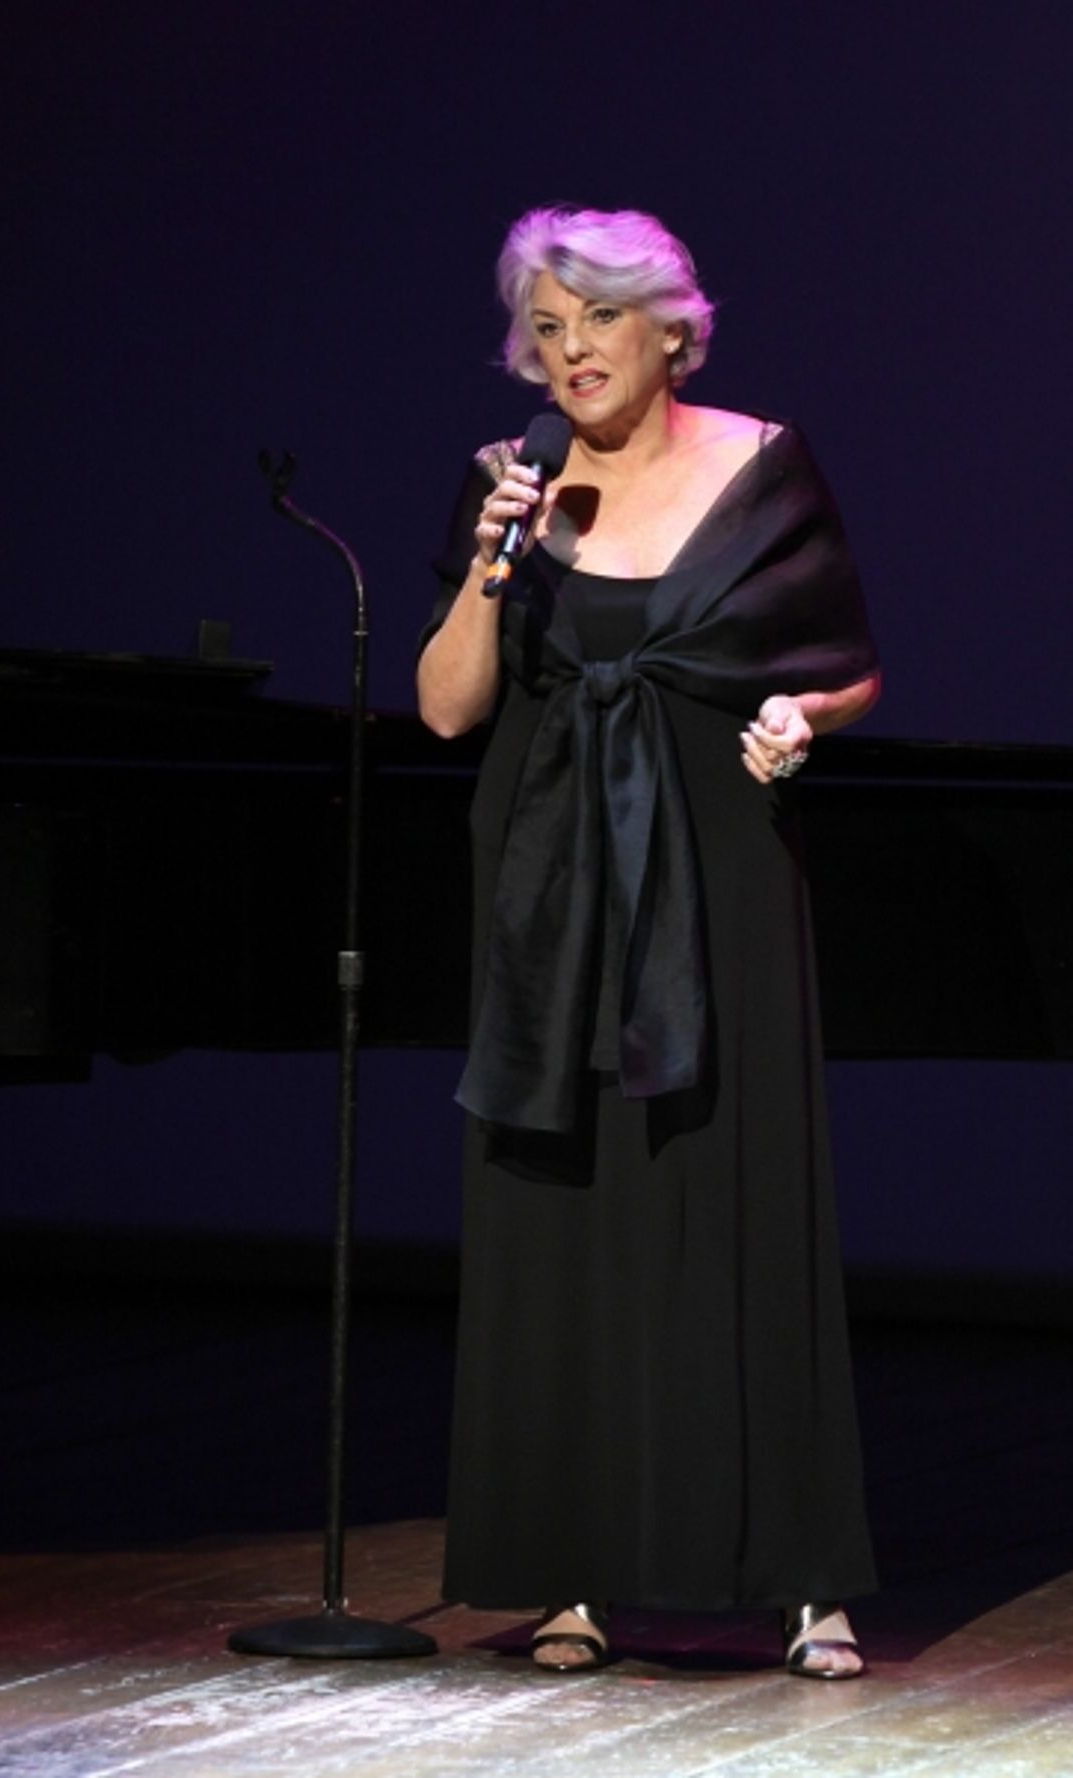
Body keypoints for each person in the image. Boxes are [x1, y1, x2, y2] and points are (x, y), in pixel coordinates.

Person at [417, 206, 881, 1677]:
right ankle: (571, 1574)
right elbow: (446, 709)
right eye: (545, 329)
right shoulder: (510, 486)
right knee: (556, 1207)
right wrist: (492, 565)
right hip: (549, 870)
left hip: (715, 857)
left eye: (598, 321)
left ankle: (802, 1578)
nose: (570, 353)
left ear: (672, 329)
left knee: (736, 1187)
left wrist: (803, 716)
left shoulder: (762, 467)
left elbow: (849, 667)